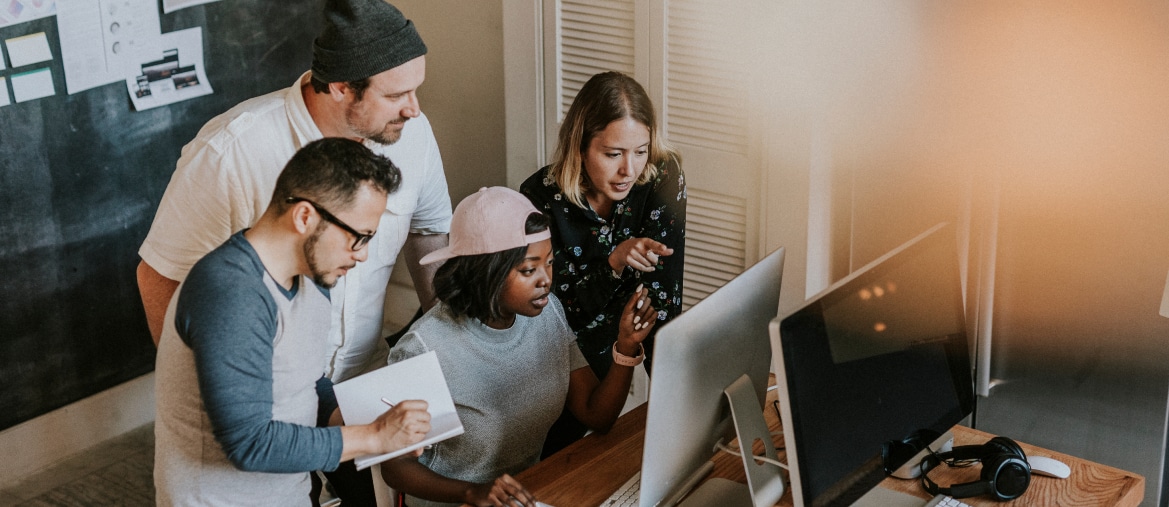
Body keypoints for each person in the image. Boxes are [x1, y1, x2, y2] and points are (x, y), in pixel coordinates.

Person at [137, 0, 450, 502]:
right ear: (342, 86)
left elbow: (431, 233)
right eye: (397, 94)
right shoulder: (230, 156)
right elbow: (160, 277)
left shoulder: (311, 281)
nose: (414, 108)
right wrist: (223, 386)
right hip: (251, 432)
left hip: (344, 391)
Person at [154, 138, 432, 507]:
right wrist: (374, 436)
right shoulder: (229, 292)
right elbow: (249, 444)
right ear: (304, 217)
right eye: (359, 237)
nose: (363, 254)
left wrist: (371, 423)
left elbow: (305, 382)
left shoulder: (315, 277)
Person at [379, 187, 657, 507]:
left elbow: (597, 415)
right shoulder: (423, 347)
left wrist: (626, 348)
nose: (545, 280)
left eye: (549, 263)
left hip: (528, 494)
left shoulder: (547, 312)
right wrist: (473, 492)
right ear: (485, 270)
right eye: (528, 269)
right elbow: (395, 467)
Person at [519, 71, 686, 456]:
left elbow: (662, 295)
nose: (630, 170)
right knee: (555, 459)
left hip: (634, 337)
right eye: (613, 154)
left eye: (640, 150)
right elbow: (556, 315)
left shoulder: (662, 174)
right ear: (579, 146)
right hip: (566, 359)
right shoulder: (538, 198)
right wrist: (613, 262)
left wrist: (675, 403)